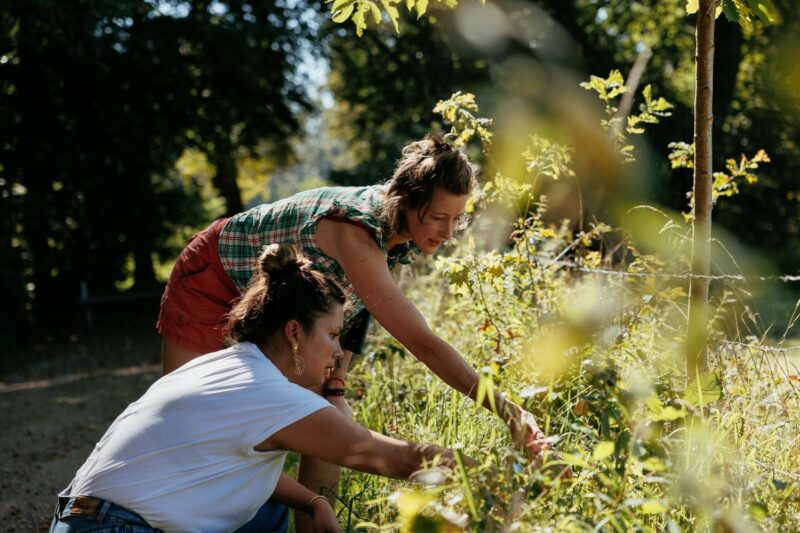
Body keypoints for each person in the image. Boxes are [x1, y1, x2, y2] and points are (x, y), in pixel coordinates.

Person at [156, 134, 553, 526]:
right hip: (215, 281)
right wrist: (509, 411)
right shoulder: (355, 230)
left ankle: (312, 521)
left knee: (333, 412)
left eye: (457, 218)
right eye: (438, 217)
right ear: (407, 201)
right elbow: (422, 342)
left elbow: (355, 309)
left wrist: (336, 383)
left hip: (280, 307)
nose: (449, 232)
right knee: (192, 420)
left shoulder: (397, 235)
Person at [51, 244, 465, 533]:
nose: (339, 352)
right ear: (294, 334)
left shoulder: (221, 368)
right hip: (117, 528)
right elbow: (386, 458)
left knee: (266, 508)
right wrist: (489, 473)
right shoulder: (268, 394)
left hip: (80, 520)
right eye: (334, 335)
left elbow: (224, 465)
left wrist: (313, 501)